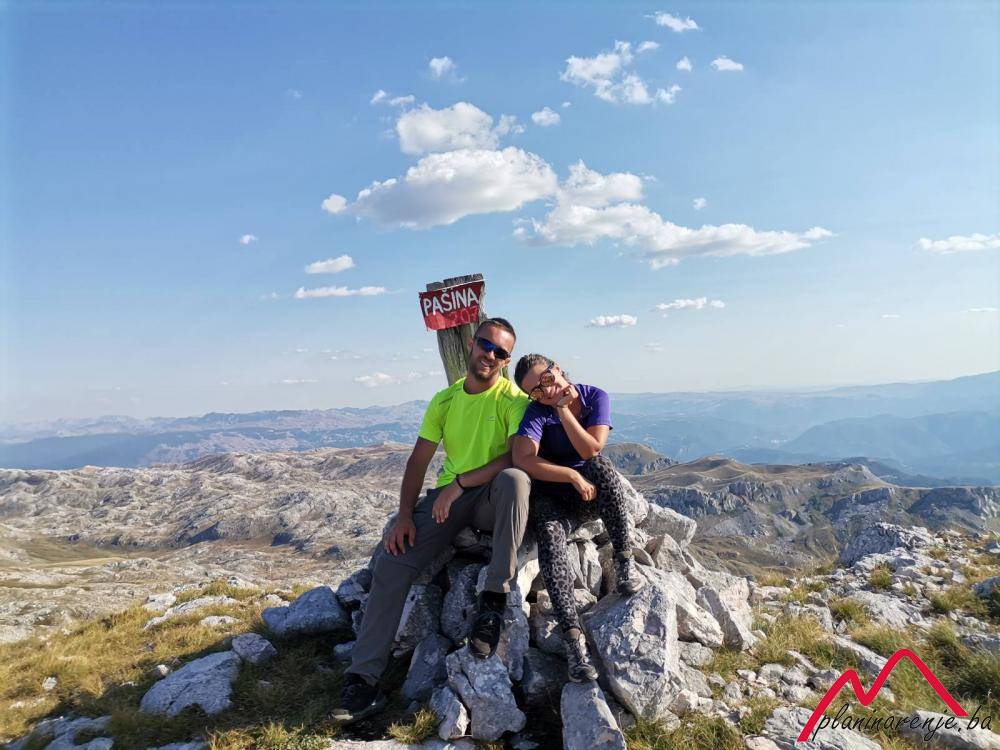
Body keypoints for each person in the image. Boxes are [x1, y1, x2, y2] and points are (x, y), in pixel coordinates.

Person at [332, 318, 531, 724]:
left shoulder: (513, 400)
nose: (490, 355)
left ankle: (493, 601)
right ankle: (363, 679)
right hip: (447, 500)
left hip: (489, 496)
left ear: (506, 361)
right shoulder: (445, 400)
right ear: (471, 344)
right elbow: (418, 460)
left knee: (515, 480)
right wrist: (405, 516)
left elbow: (513, 458)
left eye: (501, 352)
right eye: (486, 345)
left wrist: (461, 483)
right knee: (392, 562)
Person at [511, 354, 643, 682]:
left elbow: (591, 449)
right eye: (535, 391)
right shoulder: (537, 411)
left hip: (590, 495)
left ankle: (624, 562)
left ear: (557, 368)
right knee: (550, 536)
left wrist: (563, 411)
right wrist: (570, 475)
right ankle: (573, 641)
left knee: (602, 468)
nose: (545, 391)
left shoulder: (594, 396)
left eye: (547, 380)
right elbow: (523, 458)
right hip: (554, 496)